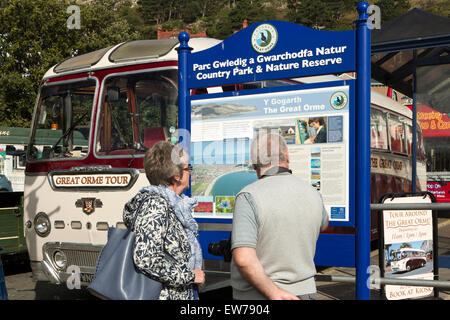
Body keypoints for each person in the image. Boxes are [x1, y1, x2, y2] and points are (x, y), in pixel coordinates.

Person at [231, 132, 329, 300]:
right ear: (288, 156)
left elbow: (244, 259)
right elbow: (324, 224)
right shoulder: (312, 193)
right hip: (307, 292)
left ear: (254, 164)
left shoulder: (248, 196)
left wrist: (274, 292)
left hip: (259, 295)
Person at [123, 141, 205, 300]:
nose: (190, 172)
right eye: (188, 168)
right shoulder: (156, 205)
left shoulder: (174, 205)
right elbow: (146, 259)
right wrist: (189, 276)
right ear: (176, 176)